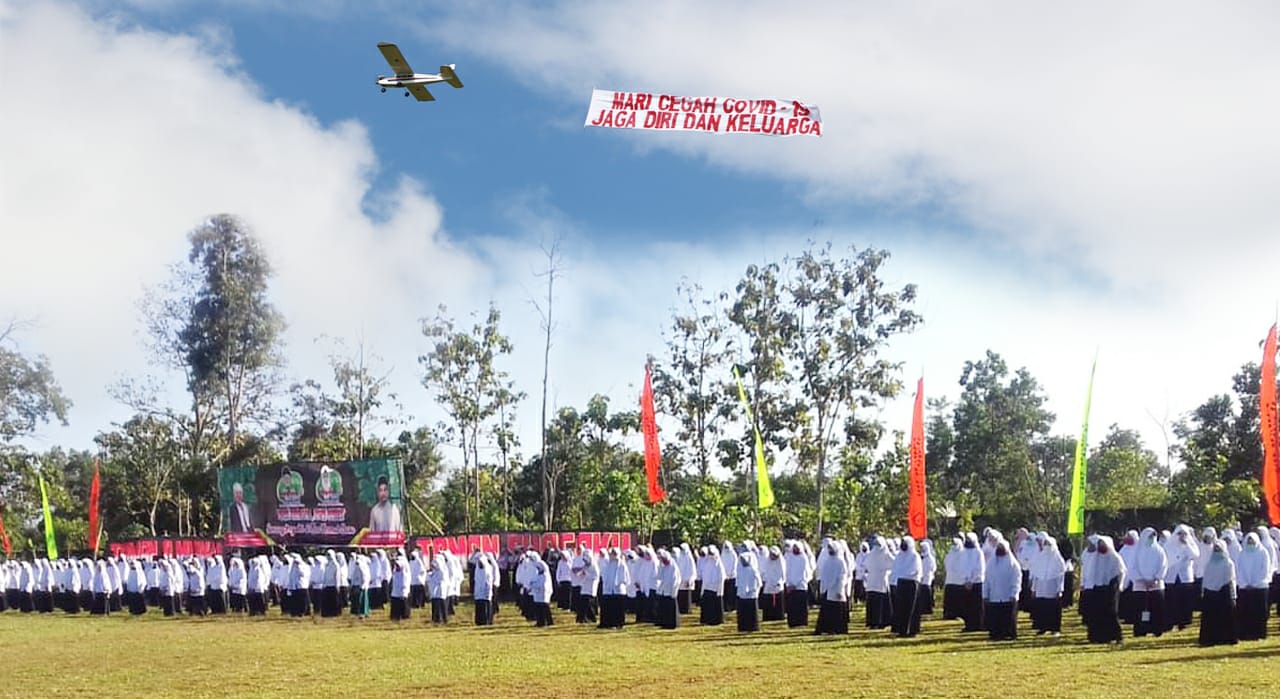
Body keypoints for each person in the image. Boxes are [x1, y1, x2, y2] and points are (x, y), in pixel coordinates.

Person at [1085, 535, 1125, 644]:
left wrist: (1117, 586)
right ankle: (1098, 637)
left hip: (1111, 589)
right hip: (1097, 588)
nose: (1101, 546)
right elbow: (1090, 572)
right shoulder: (1095, 557)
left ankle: (1117, 636)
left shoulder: (1115, 557)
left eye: (1103, 544)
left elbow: (1121, 572)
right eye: (1099, 544)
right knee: (1096, 613)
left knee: (1111, 613)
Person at [1198, 539, 1237, 646]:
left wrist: (1231, 594)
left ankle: (1225, 638)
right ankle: (1210, 639)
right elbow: (1206, 579)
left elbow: (1230, 579)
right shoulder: (1209, 563)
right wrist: (1204, 591)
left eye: (1219, 549)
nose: (1217, 551)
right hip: (1210, 594)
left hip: (1223, 592)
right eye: (1215, 549)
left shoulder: (1228, 563)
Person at [1236, 532, 1273, 641]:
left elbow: (1265, 570)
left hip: (1260, 588)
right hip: (1245, 588)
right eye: (1249, 541)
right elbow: (1239, 570)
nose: (1250, 543)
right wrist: (1245, 583)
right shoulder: (1242, 554)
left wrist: (1256, 583)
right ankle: (1244, 634)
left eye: (1252, 541)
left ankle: (1258, 634)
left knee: (1259, 613)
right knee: (1244, 612)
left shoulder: (1263, 553)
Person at [1131, 527, 1167, 637]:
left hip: (1155, 585)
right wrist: (1140, 579)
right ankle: (1141, 630)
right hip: (1140, 585)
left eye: (1153, 536)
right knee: (1140, 609)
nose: (1152, 539)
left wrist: (1156, 578)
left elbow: (1164, 565)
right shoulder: (1137, 551)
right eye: (1150, 536)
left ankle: (1157, 629)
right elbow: (1132, 567)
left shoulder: (1159, 550)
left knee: (1156, 608)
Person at [982, 541, 1021, 641]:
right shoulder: (991, 563)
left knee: (1008, 617)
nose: (1000, 549)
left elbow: (1016, 579)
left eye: (1002, 547)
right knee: (995, 617)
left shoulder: (1013, 564)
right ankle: (995, 634)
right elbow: (986, 580)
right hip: (994, 596)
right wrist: (985, 594)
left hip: (1008, 596)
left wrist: (1014, 593)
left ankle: (1009, 634)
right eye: (999, 547)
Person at [1029, 533, 1066, 635]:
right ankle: (1043, 627)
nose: (1047, 547)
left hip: (1052, 589)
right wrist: (1034, 589)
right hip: (1041, 589)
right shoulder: (1040, 558)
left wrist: (1060, 590)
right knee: (1042, 608)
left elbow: (1060, 577)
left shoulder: (1058, 560)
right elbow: (1036, 575)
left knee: (1053, 609)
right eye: (1045, 544)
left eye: (1049, 544)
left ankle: (1055, 629)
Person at [890, 536, 923, 637]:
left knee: (911, 608)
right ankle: (902, 630)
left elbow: (915, 571)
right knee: (901, 608)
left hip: (911, 583)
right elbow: (895, 569)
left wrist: (904, 575)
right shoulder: (899, 556)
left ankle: (911, 630)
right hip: (901, 583)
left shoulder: (914, 556)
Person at [863, 536, 894, 630]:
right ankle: (875, 622)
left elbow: (893, 564)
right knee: (875, 602)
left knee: (878, 602)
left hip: (878, 581)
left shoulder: (884, 554)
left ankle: (878, 622)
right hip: (875, 581)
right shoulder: (877, 554)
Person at [783, 541, 812, 628]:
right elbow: (787, 572)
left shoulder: (803, 558)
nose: (796, 549)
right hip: (790, 586)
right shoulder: (789, 558)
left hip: (800, 586)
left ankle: (801, 622)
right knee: (792, 606)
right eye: (794, 547)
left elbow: (804, 573)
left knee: (801, 606)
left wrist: (795, 584)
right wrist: (788, 584)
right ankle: (792, 622)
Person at [735, 549, 761, 633]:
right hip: (742, 594)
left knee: (751, 612)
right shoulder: (740, 569)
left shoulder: (753, 570)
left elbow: (759, 583)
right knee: (743, 612)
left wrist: (756, 591)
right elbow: (738, 581)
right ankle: (743, 627)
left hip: (751, 594)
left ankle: (753, 627)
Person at [698, 546, 725, 626]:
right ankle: (707, 619)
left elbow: (721, 577)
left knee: (715, 605)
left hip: (715, 588)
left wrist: (719, 589)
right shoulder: (707, 562)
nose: (711, 556)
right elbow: (705, 575)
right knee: (707, 604)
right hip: (707, 587)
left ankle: (716, 620)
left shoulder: (718, 564)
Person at [654, 549, 682, 630]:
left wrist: (673, 590)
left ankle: (672, 624)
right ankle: (664, 623)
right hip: (664, 590)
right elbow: (659, 576)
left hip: (671, 590)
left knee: (671, 608)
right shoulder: (663, 566)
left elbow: (676, 580)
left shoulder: (673, 567)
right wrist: (660, 564)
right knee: (664, 607)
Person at [759, 546, 786, 622]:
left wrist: (779, 582)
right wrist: (765, 580)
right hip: (768, 584)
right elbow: (764, 572)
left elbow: (783, 573)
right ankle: (768, 617)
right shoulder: (767, 562)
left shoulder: (781, 562)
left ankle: (778, 616)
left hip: (777, 584)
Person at [941, 537, 964, 620]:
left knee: (954, 599)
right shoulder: (953, 554)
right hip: (954, 580)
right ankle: (950, 614)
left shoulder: (958, 554)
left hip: (955, 580)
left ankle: (953, 613)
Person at [473, 553, 496, 626]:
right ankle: (479, 621)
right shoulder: (477, 570)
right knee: (479, 607)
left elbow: (489, 581)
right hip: (478, 592)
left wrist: (488, 592)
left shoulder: (488, 569)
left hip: (485, 591)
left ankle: (486, 621)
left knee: (486, 607)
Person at [389, 554, 410, 622]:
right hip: (395, 590)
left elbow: (406, 580)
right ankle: (395, 616)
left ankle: (404, 615)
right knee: (395, 602)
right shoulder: (395, 571)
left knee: (402, 602)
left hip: (402, 589)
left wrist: (404, 587)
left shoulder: (405, 572)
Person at [428, 554, 448, 624]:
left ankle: (442, 618)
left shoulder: (443, 571)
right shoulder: (434, 571)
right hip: (434, 592)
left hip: (440, 591)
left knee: (441, 605)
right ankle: (435, 619)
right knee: (435, 605)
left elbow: (443, 580)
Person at [919, 539, 937, 616]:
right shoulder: (920, 557)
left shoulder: (930, 558)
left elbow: (933, 568)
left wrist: (928, 573)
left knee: (927, 593)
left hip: (927, 577)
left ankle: (928, 609)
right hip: (921, 578)